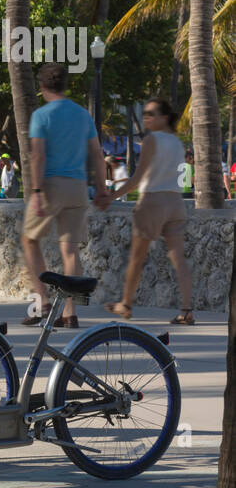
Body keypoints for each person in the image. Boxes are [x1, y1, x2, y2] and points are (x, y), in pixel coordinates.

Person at [20, 64, 109, 329]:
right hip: (78, 186)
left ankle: (43, 302)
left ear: (42, 87)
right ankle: (70, 313)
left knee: (29, 239)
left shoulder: (41, 115)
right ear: (65, 85)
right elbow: (97, 153)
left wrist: (36, 192)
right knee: (69, 251)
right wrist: (101, 188)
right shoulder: (82, 115)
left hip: (50, 186)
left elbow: (38, 155)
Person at [104, 98, 194, 325]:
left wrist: (111, 196)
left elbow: (137, 177)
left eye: (151, 114)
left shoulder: (151, 140)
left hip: (153, 202)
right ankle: (187, 310)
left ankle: (125, 304)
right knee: (179, 260)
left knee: (137, 258)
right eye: (145, 113)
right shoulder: (176, 142)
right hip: (175, 203)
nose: (146, 117)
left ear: (164, 117)